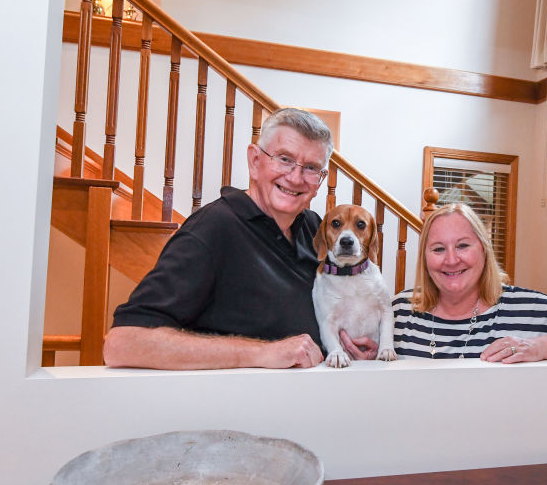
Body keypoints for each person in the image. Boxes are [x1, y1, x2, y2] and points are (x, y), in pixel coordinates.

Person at [103, 108, 378, 369]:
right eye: (284, 159)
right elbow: (123, 343)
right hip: (234, 410)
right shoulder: (213, 229)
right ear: (255, 161)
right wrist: (263, 352)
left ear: (320, 180)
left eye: (311, 168)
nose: (295, 177)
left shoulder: (315, 228)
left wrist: (347, 343)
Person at [393, 203, 547, 361]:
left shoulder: (524, 306)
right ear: (424, 257)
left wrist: (538, 347)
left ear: (484, 250)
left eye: (463, 245)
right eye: (438, 249)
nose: (452, 259)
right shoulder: (399, 310)